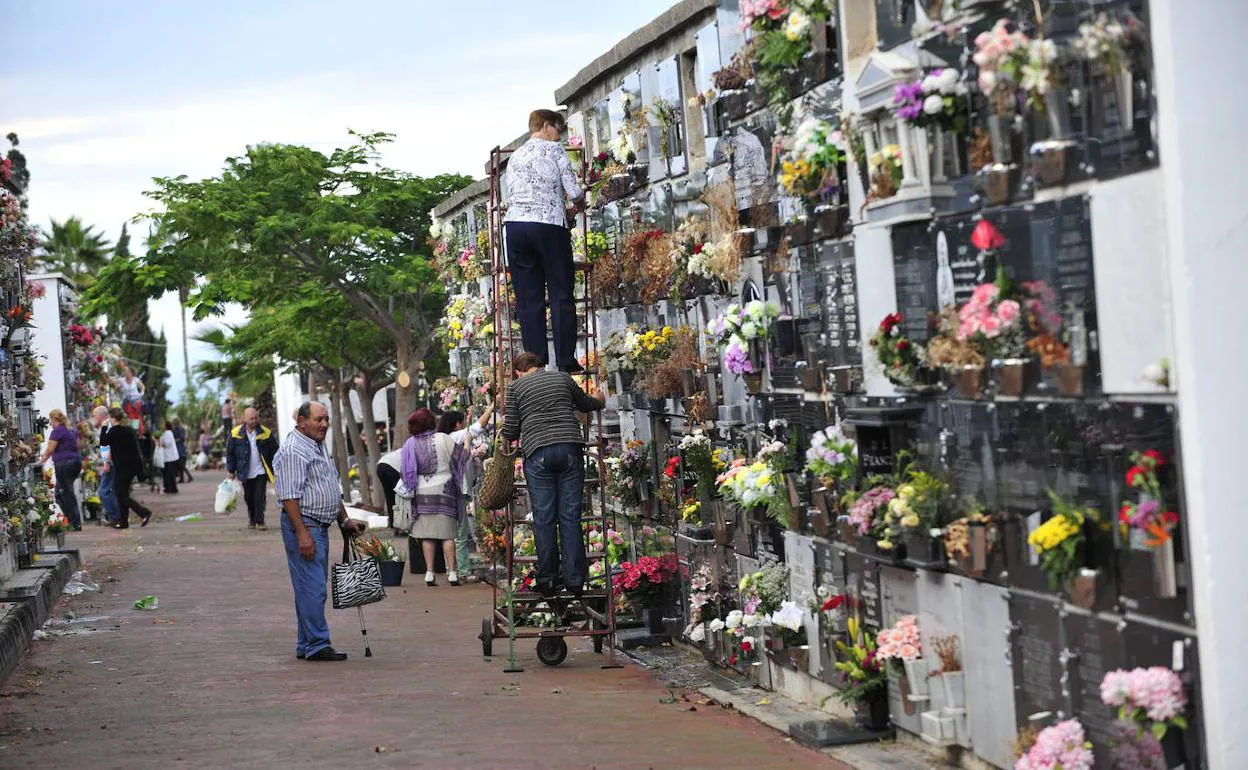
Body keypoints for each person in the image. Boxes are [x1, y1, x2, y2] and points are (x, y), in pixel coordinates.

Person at [501, 352, 605, 597]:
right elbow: (586, 404)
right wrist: (599, 400)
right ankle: (575, 580)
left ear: (518, 371)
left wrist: (507, 434)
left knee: (544, 518)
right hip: (570, 447)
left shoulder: (515, 388)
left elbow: (512, 429)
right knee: (570, 517)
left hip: (538, 452)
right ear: (540, 366)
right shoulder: (563, 378)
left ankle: (547, 579)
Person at [274, 401, 367, 662]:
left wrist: (344, 519)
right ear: (302, 422)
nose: (324, 424)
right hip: (305, 525)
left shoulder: (317, 446)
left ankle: (307, 643)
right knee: (314, 588)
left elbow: (329, 486)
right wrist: (302, 533)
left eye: (326, 419)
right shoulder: (295, 450)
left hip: (318, 525)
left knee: (308, 588)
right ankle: (317, 644)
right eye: (318, 419)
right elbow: (289, 496)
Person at [504, 108, 585, 373]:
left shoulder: (515, 156)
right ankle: (565, 359)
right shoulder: (555, 151)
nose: (559, 136)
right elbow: (573, 191)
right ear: (547, 126)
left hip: (516, 228)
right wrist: (581, 201)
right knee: (561, 293)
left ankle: (535, 365)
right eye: (558, 130)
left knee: (529, 299)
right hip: (548, 225)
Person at [401, 408, 468, 587]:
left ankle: (429, 573)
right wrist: (467, 443)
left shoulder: (410, 444)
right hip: (445, 490)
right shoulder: (443, 438)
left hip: (422, 491)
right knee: (448, 535)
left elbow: (406, 470)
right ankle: (453, 573)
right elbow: (462, 457)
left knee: (427, 535)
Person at [437, 405, 495, 579]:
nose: (464, 426)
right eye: (462, 423)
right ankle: (461, 571)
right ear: (456, 424)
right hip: (456, 491)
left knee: (451, 532)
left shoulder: (442, 439)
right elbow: (478, 427)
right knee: (460, 533)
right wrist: (491, 408)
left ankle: (453, 569)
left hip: (444, 490)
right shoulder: (457, 436)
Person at [226, 407, 279, 531]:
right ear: (244, 419)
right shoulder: (235, 434)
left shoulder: (266, 432)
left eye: (256, 418)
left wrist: (276, 467)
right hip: (244, 471)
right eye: (251, 418)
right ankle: (252, 519)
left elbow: (275, 451)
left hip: (261, 471)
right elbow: (230, 454)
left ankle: (260, 521)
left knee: (259, 496)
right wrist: (231, 470)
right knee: (249, 497)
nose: (254, 421)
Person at [100, 407, 152, 528]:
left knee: (120, 494)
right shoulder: (128, 430)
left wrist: (103, 427)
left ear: (113, 418)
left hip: (123, 467)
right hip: (132, 465)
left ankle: (144, 512)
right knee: (122, 493)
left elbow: (103, 441)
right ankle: (124, 522)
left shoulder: (114, 431)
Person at [40, 409, 83, 531]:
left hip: (64, 464)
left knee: (66, 492)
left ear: (54, 419)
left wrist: (40, 461)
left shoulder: (57, 431)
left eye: (51, 420)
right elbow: (79, 445)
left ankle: (74, 522)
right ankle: (70, 520)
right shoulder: (71, 430)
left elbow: (50, 449)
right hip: (75, 462)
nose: (50, 423)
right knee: (59, 494)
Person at [92, 406, 121, 524]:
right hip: (112, 462)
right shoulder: (107, 427)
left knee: (104, 491)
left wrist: (107, 463)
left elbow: (111, 447)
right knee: (111, 490)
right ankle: (117, 515)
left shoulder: (108, 427)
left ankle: (115, 516)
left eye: (95, 416)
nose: (94, 418)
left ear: (101, 416)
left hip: (111, 463)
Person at [375, 447, 402, 530]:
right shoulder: (416, 451)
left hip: (381, 465)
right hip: (392, 468)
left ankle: (393, 523)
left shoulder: (405, 449)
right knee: (399, 497)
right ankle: (400, 524)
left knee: (389, 496)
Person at [158, 420, 179, 494]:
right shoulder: (165, 433)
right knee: (168, 473)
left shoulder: (167, 433)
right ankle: (170, 487)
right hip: (168, 457)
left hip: (169, 457)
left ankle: (170, 488)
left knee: (168, 473)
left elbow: (167, 443)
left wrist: (160, 443)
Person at [172, 418, 193, 484]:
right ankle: (181, 478)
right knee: (179, 465)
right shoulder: (174, 430)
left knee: (181, 465)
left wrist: (175, 440)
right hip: (177, 449)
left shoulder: (180, 429)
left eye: (175, 424)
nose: (174, 425)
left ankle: (190, 477)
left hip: (181, 449)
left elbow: (182, 438)